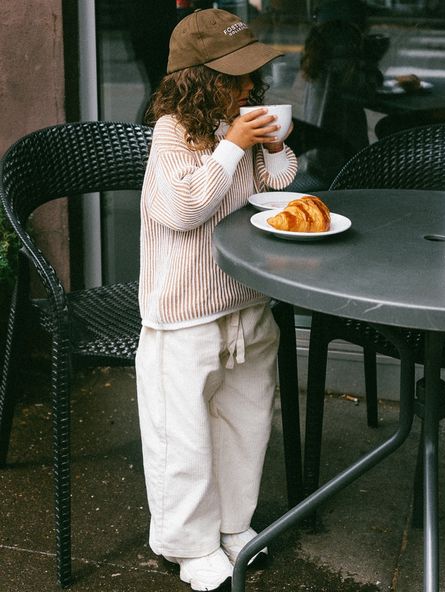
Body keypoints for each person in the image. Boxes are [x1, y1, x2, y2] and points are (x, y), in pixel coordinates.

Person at [135, 8, 297, 591]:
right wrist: (230, 146)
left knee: (248, 419)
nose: (251, 85)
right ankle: (189, 542)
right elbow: (181, 211)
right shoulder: (172, 134)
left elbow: (277, 188)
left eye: (252, 73)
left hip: (245, 302)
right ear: (199, 80)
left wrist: (274, 147)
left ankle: (234, 525)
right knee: (183, 434)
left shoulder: (242, 125)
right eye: (236, 75)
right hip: (184, 313)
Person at [288, 0, 383, 191]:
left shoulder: (318, 56)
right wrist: (372, 62)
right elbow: (365, 91)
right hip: (341, 163)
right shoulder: (343, 57)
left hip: (317, 159)